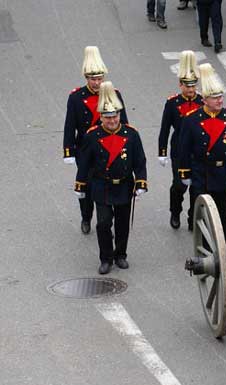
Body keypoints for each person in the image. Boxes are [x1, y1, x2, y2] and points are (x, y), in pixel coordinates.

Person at [75, 82, 147, 275]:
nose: (112, 120)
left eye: (115, 116)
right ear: (101, 118)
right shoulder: (92, 136)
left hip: (124, 186)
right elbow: (84, 163)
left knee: (123, 224)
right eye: (108, 117)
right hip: (102, 186)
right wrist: (80, 186)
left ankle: (120, 255)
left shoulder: (131, 134)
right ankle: (105, 258)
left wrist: (141, 182)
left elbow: (140, 161)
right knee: (103, 223)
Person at [63, 46, 129, 235]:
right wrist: (68, 151)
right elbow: (70, 126)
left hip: (109, 146)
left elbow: (123, 123)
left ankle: (105, 214)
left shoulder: (113, 93)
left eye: (100, 78)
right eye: (94, 79)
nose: (97, 83)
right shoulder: (76, 97)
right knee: (86, 183)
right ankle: (86, 215)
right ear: (87, 78)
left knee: (104, 182)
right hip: (85, 149)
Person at [178, 64, 226, 238]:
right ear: (205, 100)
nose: (220, 100)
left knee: (222, 211)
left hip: (222, 171)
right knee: (202, 212)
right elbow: (184, 149)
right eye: (215, 97)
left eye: (221, 96)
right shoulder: (191, 120)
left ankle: (221, 247)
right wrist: (185, 173)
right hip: (201, 172)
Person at [158, 51, 203, 230]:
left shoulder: (202, 101)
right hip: (179, 149)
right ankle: (175, 211)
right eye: (187, 86)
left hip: (198, 150)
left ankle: (193, 216)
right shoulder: (172, 103)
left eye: (193, 86)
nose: (191, 90)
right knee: (179, 185)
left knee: (196, 186)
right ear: (180, 85)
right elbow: (164, 129)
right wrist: (162, 152)